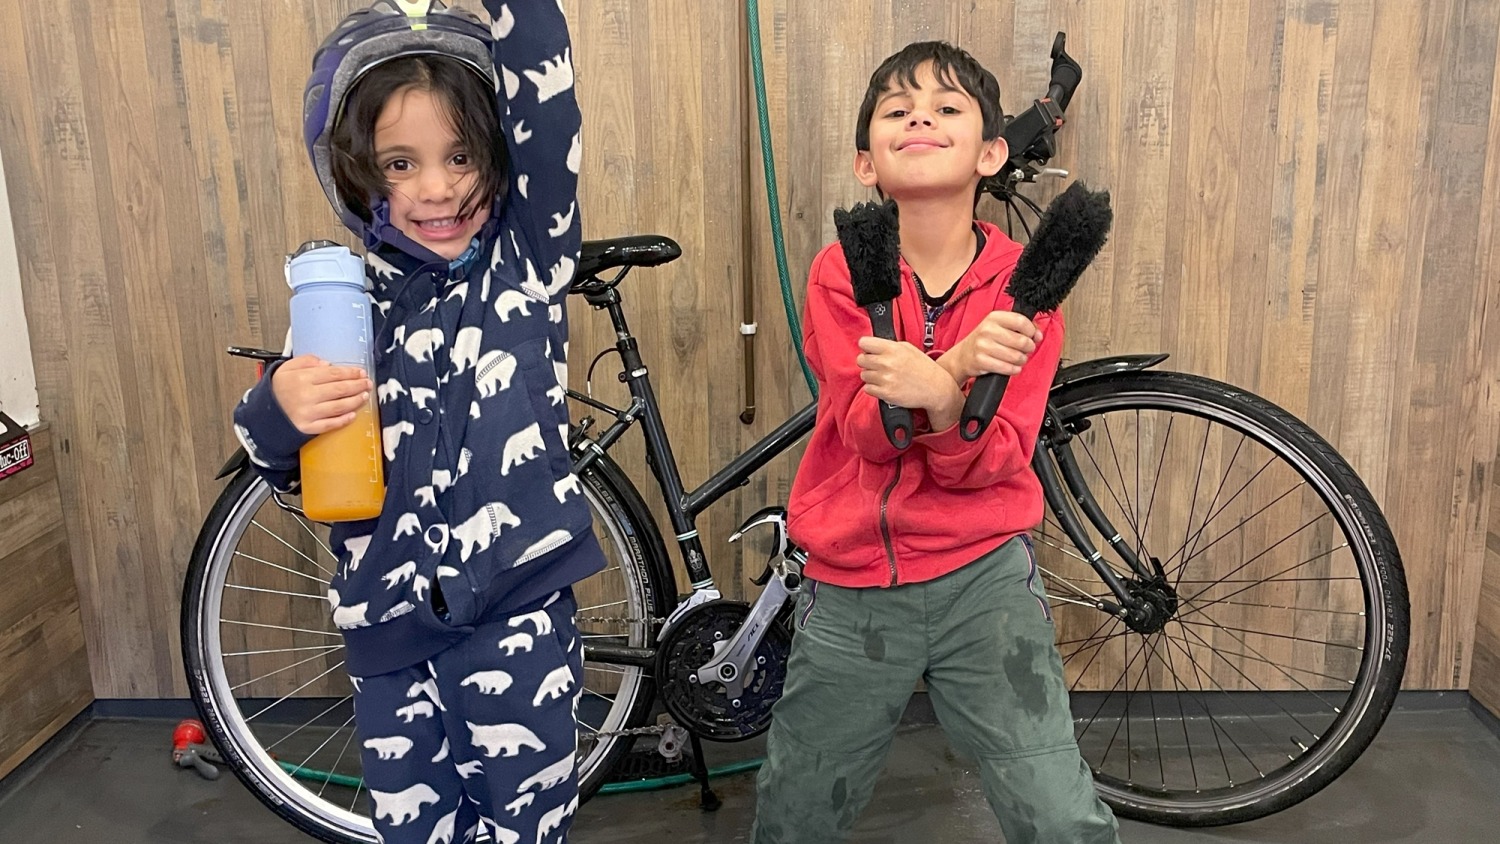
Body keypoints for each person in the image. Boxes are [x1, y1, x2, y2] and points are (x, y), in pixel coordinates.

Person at [232, 2, 596, 842]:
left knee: (527, 824)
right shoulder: (338, 309)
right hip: (387, 635)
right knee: (415, 831)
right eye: (401, 162)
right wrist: (278, 408)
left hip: (518, 612)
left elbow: (547, 101)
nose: (436, 188)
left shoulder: (529, 257)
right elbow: (277, 464)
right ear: (359, 174)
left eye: (461, 155)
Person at [751, 41, 1122, 844]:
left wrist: (943, 406)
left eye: (947, 107)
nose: (920, 115)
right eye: (897, 109)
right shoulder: (838, 274)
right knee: (796, 813)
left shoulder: (1031, 286)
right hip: (851, 586)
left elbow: (996, 457)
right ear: (866, 163)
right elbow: (864, 433)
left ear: (992, 152)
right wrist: (953, 368)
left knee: (1059, 815)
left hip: (982, 581)